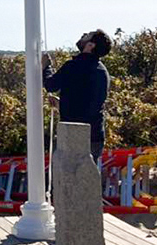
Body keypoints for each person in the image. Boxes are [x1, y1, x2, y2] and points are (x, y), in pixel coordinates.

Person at [42, 29, 112, 164]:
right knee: (86, 179)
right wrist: (62, 104)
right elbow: (88, 102)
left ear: (91, 45)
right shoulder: (102, 71)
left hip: (74, 135)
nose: (84, 35)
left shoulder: (74, 66)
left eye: (88, 36)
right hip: (95, 135)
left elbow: (51, 85)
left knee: (69, 179)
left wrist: (46, 67)